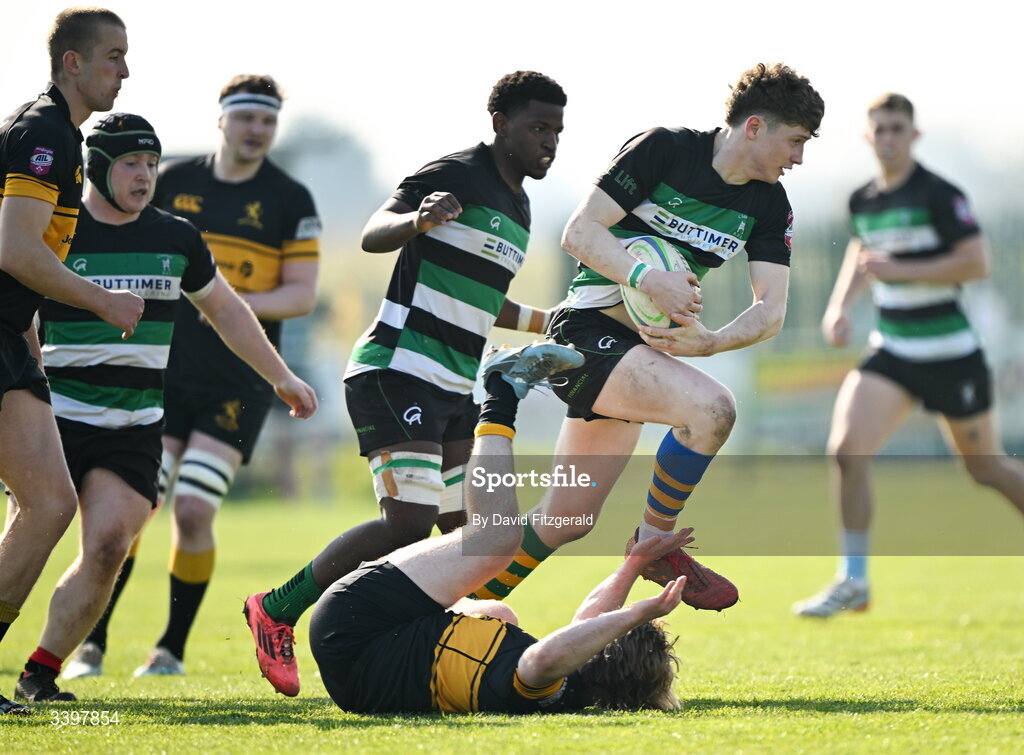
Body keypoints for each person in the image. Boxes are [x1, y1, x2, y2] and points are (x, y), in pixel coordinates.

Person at [243, 71, 568, 697]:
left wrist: (545, 321)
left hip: (451, 386)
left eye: (556, 130)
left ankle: (422, 640)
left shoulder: (520, 206)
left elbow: (481, 298)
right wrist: (417, 220)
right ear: (499, 123)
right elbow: (373, 233)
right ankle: (276, 609)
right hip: (397, 371)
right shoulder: (454, 172)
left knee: (471, 536)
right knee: (409, 522)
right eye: (536, 127)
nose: (548, 141)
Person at [472, 62, 825, 610]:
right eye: (796, 141)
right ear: (754, 127)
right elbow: (579, 233)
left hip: (635, 356)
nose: (800, 158)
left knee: (566, 519)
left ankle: (450, 602)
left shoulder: (768, 203)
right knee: (712, 410)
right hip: (587, 330)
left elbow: (771, 310)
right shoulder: (665, 151)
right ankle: (655, 542)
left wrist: (712, 342)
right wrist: (648, 278)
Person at [7, 113, 318, 703]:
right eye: (130, 163)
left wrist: (281, 377)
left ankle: (40, 673)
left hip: (135, 426)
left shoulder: (176, 237)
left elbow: (226, 311)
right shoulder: (57, 232)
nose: (144, 175)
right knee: (27, 542)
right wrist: (30, 380)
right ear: (95, 166)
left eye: (151, 164)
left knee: (108, 547)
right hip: (55, 416)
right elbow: (17, 312)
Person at [308, 342, 686, 713]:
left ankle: (500, 393)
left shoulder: (546, 684)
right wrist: (631, 566)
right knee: (499, 615)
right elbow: (584, 624)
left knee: (496, 541)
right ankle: (464, 415)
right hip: (366, 662)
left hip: (357, 627)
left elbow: (548, 655)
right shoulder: (563, 686)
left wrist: (636, 615)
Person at [793, 94, 1024, 617]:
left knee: (986, 470)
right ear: (867, 137)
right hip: (893, 351)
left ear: (914, 136)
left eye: (898, 128)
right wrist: (839, 306)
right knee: (847, 450)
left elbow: (976, 261)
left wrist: (903, 271)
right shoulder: (863, 200)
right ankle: (854, 581)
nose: (889, 137)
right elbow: (861, 250)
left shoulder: (939, 194)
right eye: (881, 129)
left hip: (950, 354)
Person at [0, 7, 141, 715]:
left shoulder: (67, 140)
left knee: (50, 503)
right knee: (49, 503)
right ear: (73, 64)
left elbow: (23, 272)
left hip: (8, 340)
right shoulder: (42, 134)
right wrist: (103, 300)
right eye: (114, 55)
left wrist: (30, 356)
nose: (126, 68)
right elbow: (16, 251)